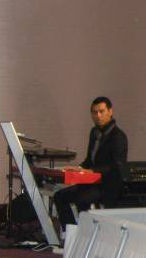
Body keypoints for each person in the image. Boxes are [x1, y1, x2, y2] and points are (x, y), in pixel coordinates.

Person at [53, 96, 128, 228]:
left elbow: (117, 166)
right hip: (92, 183)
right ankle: (71, 232)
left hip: (108, 185)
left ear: (110, 111)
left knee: (82, 199)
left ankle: (86, 231)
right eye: (94, 112)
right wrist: (78, 168)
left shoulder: (118, 136)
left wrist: (91, 171)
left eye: (101, 111)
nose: (98, 116)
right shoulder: (95, 133)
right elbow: (90, 160)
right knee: (59, 196)